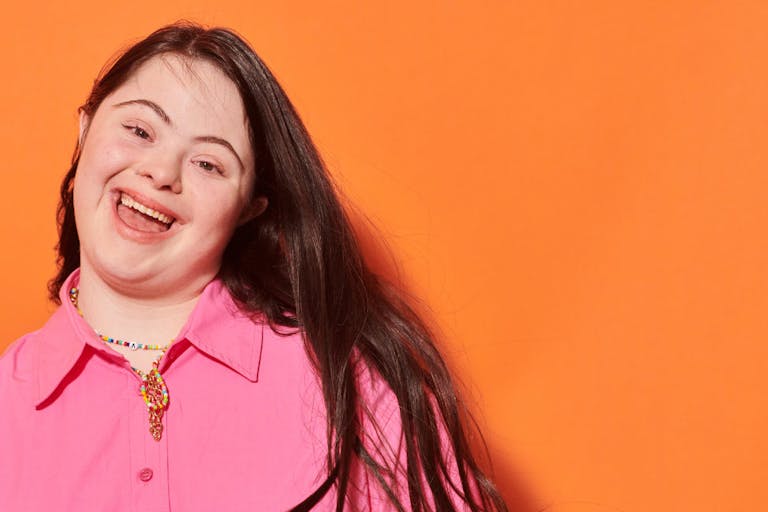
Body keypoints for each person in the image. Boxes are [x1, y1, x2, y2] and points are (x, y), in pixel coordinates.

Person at [0, 22, 508, 511]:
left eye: (208, 164)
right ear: (85, 128)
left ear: (249, 207)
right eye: (139, 129)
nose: (159, 172)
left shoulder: (345, 378)